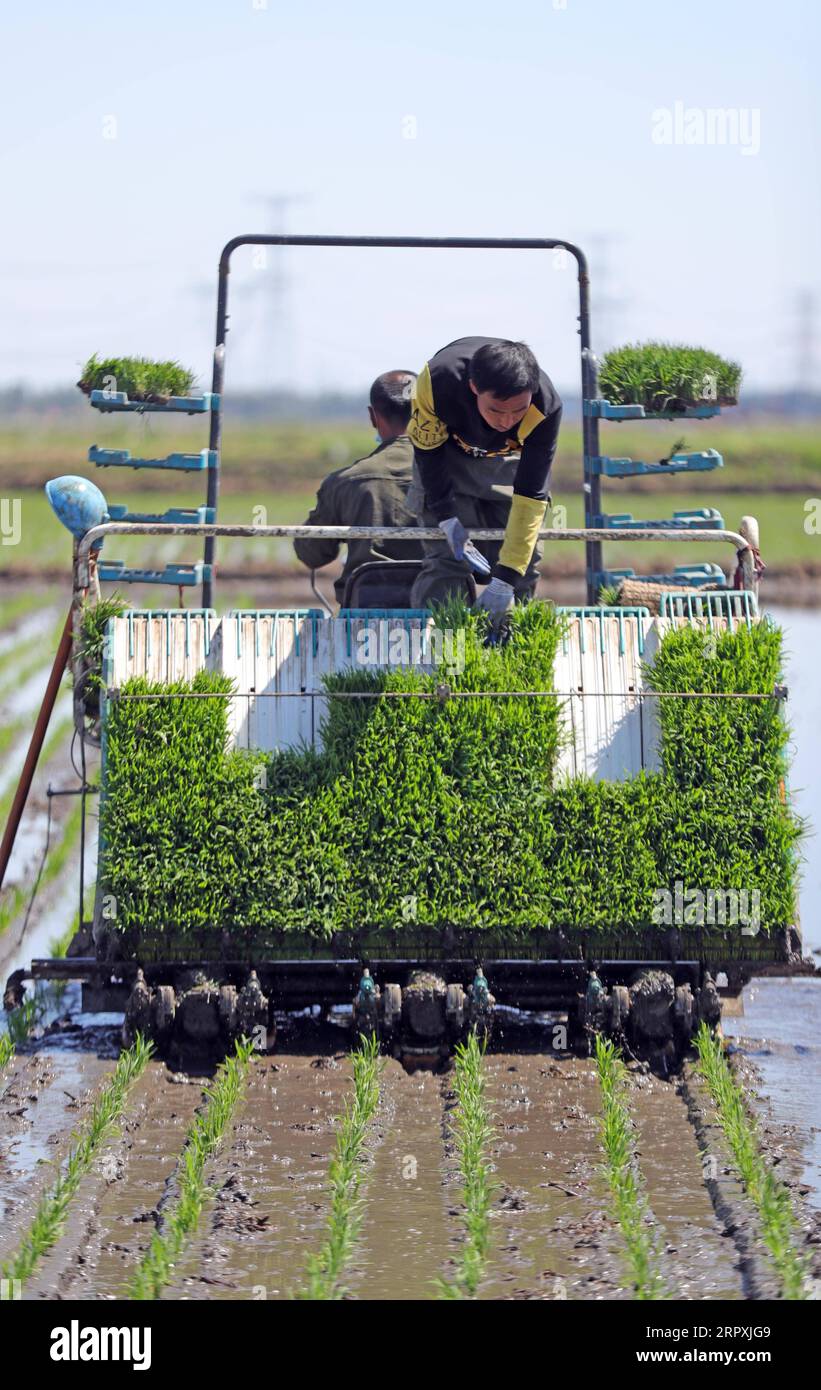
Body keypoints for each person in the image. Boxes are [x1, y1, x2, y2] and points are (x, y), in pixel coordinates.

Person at [407, 337, 562, 622]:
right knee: (447, 563)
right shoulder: (436, 382)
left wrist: (505, 580)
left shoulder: (546, 406)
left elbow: (531, 493)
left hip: (507, 464)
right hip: (447, 461)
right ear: (474, 388)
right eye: (496, 410)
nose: (506, 421)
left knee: (522, 567)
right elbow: (428, 454)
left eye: (518, 411)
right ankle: (443, 653)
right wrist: (446, 518)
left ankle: (511, 650)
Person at [293, 370, 422, 603]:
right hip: (443, 615)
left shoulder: (344, 482)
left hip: (366, 613)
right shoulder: (458, 477)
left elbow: (311, 553)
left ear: (373, 417)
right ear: (426, 412)